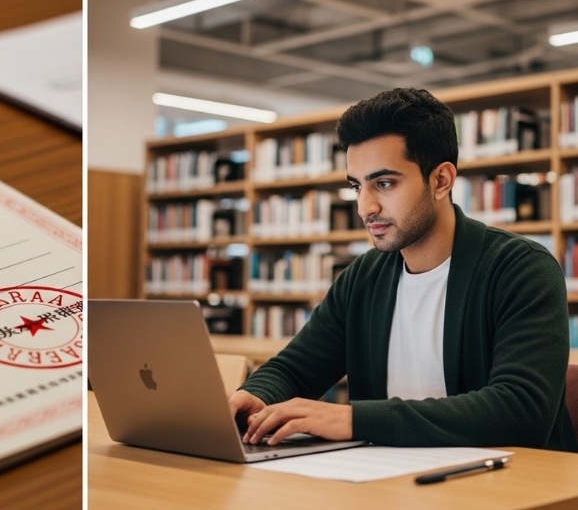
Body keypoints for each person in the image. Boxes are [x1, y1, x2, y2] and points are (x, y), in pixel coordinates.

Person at [229, 88, 578, 452]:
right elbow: (294, 369)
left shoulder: (521, 270)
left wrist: (351, 419)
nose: (365, 207)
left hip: (512, 487)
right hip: (389, 484)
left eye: (384, 183)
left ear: (441, 180)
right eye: (356, 186)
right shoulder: (363, 278)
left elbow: (521, 412)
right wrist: (254, 395)